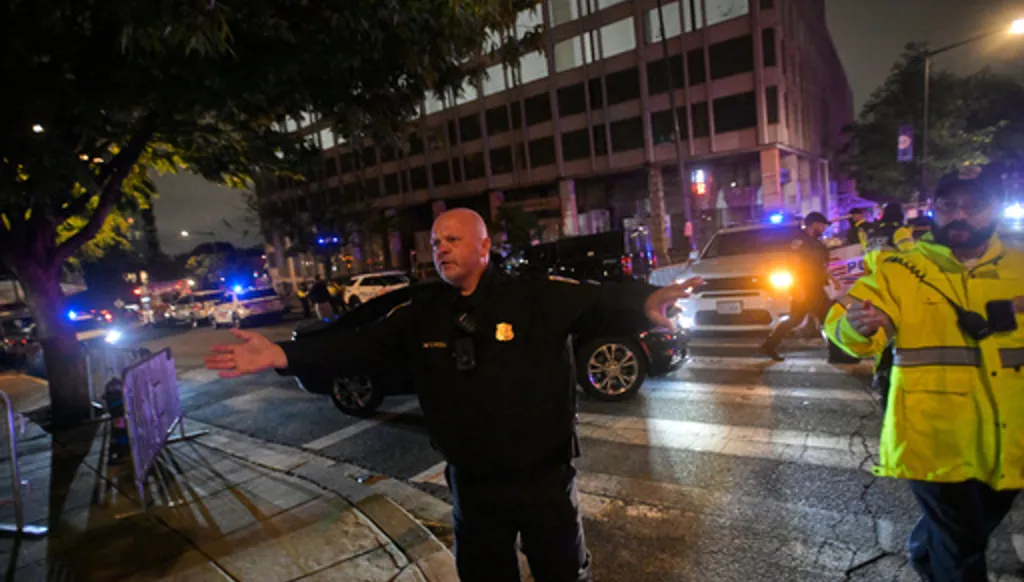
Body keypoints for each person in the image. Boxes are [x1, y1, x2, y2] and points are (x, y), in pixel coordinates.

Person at [205, 208, 699, 582]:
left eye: (453, 239)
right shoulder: (424, 314)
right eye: (436, 241)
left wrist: (647, 300)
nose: (440, 248)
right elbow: (358, 345)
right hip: (474, 486)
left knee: (563, 575)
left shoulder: (535, 296)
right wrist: (284, 356)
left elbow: (599, 298)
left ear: (484, 246)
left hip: (544, 480)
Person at [824, 167, 1024, 582]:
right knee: (965, 548)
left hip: (1011, 437)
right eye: (948, 206)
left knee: (966, 532)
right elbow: (843, 323)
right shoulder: (901, 269)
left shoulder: (1020, 266)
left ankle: (924, 550)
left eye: (973, 206)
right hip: (934, 439)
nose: (959, 216)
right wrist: (858, 325)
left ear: (995, 210)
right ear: (933, 210)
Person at [760, 212, 837, 361]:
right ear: (814, 224)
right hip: (806, 287)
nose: (823, 228)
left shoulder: (816, 242)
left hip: (815, 286)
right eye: (821, 225)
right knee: (827, 317)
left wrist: (832, 279)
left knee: (796, 319)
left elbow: (821, 265)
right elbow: (793, 266)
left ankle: (770, 345)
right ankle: (836, 352)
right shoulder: (800, 242)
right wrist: (798, 289)